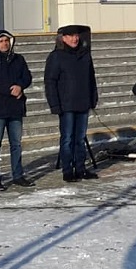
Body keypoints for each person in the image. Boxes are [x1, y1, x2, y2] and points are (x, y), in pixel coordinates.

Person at [0, 30, 35, 191]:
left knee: (16, 144)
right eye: (1, 41)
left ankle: (18, 175)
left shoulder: (18, 59)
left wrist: (20, 87)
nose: (4, 43)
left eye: (6, 40)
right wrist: (9, 90)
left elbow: (27, 77)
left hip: (16, 107)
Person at [44, 25, 99, 182]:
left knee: (80, 138)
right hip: (66, 105)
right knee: (67, 138)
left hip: (83, 102)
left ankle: (80, 168)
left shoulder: (85, 55)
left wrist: (93, 97)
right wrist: (54, 104)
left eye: (76, 36)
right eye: (71, 36)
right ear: (63, 38)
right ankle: (67, 170)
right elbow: (50, 81)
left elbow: (91, 78)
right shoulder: (56, 56)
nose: (75, 39)